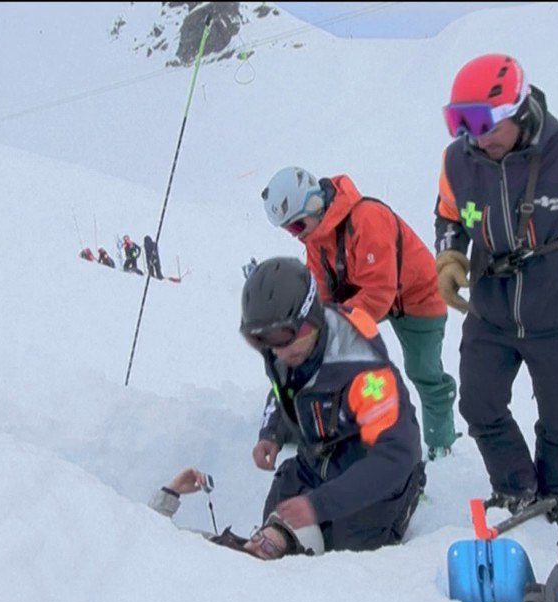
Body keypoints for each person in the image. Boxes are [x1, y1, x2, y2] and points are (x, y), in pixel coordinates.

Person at [432, 53, 558, 538]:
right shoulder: (458, 160)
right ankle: (518, 489)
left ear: (517, 110)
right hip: (490, 309)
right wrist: (448, 256)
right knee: (479, 404)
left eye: (483, 123)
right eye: (460, 124)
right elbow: (448, 216)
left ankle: (557, 491)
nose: (475, 137)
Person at [262, 166, 459, 461]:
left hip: (418, 297)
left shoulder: (367, 218)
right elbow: (321, 290)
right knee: (319, 351)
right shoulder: (315, 238)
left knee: (423, 371)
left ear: (314, 204)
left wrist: (335, 323)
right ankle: (311, 425)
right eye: (289, 230)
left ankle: (440, 443)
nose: (295, 236)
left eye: (296, 227)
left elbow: (380, 292)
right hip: (366, 296)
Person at [244, 257, 425, 554]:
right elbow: (283, 391)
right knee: (276, 523)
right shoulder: (284, 351)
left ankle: (404, 506)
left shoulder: (363, 369)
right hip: (315, 461)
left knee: (342, 552)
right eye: (263, 340)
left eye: (282, 338)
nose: (277, 350)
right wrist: (272, 432)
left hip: (372, 471)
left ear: (309, 321)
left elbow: (397, 455)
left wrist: (319, 504)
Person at [148, 468, 324, 559]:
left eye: (268, 548)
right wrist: (172, 491)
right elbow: (149, 538)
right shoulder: (215, 543)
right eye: (258, 536)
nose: (254, 545)